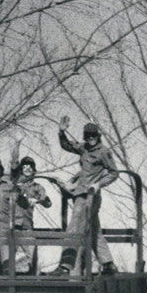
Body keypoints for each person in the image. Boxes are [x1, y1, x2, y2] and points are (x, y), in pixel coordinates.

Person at [49, 117, 119, 276]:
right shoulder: (84, 149)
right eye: (88, 136)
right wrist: (61, 132)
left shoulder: (104, 152)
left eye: (93, 136)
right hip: (80, 195)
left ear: (98, 136)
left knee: (74, 227)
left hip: (90, 196)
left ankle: (65, 265)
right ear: (85, 137)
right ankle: (108, 264)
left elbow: (114, 173)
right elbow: (66, 145)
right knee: (94, 230)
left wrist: (98, 184)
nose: (91, 139)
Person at [11, 155, 52, 274]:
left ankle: (34, 283)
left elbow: (48, 203)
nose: (27, 169)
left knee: (33, 258)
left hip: (27, 227)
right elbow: (13, 164)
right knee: (7, 258)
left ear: (34, 169)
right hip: (12, 226)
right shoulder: (15, 182)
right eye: (25, 166)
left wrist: (38, 200)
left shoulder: (37, 187)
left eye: (30, 167)